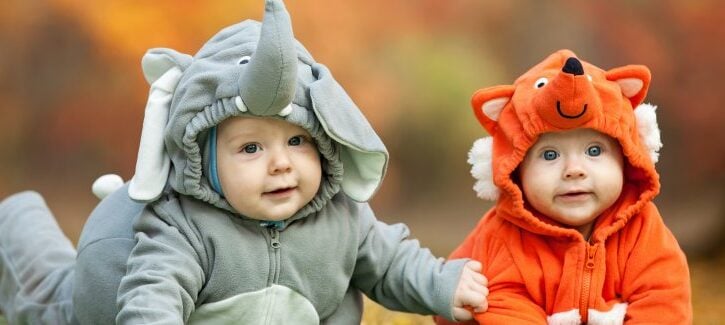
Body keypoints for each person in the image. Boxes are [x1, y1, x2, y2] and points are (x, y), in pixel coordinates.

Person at [0, 1, 488, 324]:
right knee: (47, 300)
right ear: (206, 161)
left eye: (298, 142)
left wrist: (443, 284)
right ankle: (15, 221)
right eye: (251, 149)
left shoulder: (342, 217)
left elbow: (392, 263)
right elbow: (153, 294)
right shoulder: (184, 226)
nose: (280, 164)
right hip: (106, 298)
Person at [436, 49, 691, 324]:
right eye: (550, 155)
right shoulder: (504, 236)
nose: (574, 170)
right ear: (516, 170)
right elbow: (505, 305)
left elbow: (663, 298)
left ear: (626, 159)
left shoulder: (643, 230)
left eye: (594, 151)